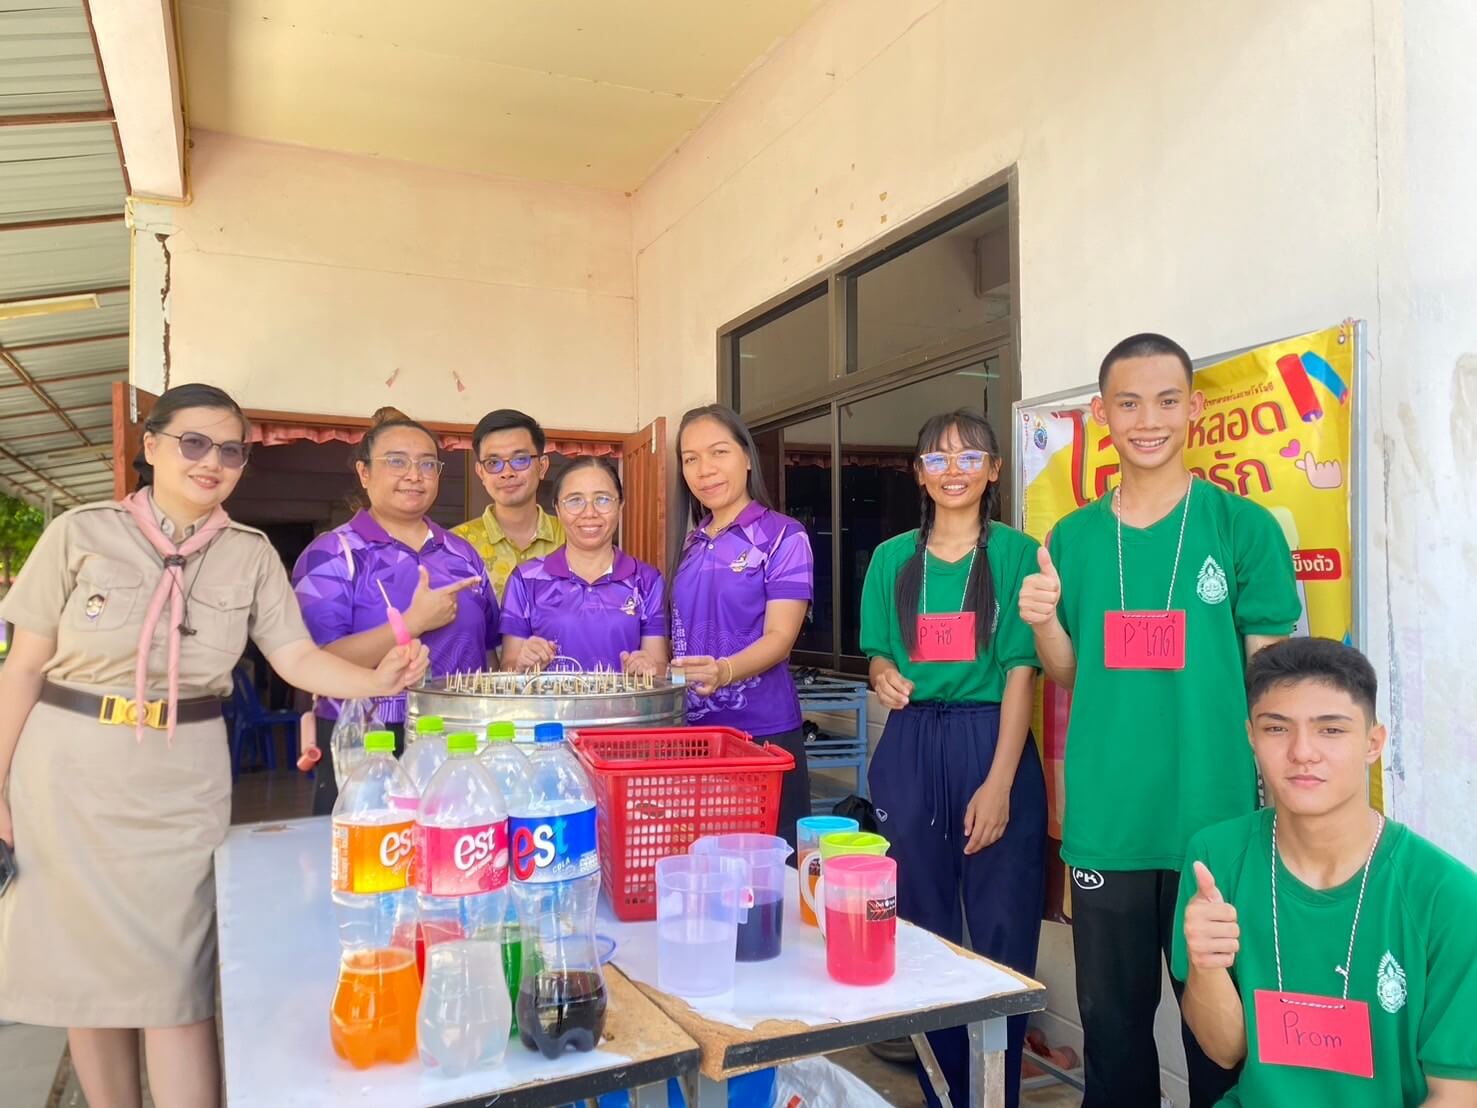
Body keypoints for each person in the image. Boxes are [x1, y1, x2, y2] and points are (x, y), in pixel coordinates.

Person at [0, 384, 428, 1108]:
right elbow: (23, 668)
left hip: (182, 777)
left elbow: (295, 656)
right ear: (152, 446)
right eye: (194, 443)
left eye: (231, 451)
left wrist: (373, 679)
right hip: (66, 772)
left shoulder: (248, 554)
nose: (212, 462)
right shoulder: (80, 532)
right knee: (87, 976)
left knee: (178, 978)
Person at [1018, 333, 1302, 1108]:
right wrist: (1042, 621)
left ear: (1194, 408)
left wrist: (1285, 803)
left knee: (1220, 1044)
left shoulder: (1241, 528)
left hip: (1214, 823)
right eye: (1129, 403)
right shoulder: (1072, 538)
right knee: (1111, 1035)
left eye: (1166, 401)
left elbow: (1271, 686)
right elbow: (1068, 672)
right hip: (1106, 822)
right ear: (1101, 413)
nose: (1148, 420)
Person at [1175, 638, 1477, 1106]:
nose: (1302, 752)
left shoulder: (1446, 895)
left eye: (1331, 730)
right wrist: (1206, 963)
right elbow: (1223, 1050)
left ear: (1373, 743)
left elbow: (1457, 1095)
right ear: (1252, 737)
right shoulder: (1215, 858)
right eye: (1277, 729)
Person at [861, 410, 1047, 1108]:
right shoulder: (891, 560)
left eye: (970, 457)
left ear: (994, 470)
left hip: (991, 739)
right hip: (911, 745)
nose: (953, 471)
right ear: (918, 474)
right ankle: (942, 1091)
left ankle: (993, 1093)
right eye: (936, 459)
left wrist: (999, 783)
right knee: (919, 926)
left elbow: (1022, 673)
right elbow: (880, 654)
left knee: (1003, 929)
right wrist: (883, 674)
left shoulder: (1017, 555)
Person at [293, 407, 499, 815]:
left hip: (461, 735)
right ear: (364, 472)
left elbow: (489, 651)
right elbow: (315, 662)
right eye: (396, 461)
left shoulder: (463, 554)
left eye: (427, 464)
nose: (414, 475)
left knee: (460, 843)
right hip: (370, 738)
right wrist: (412, 624)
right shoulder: (333, 554)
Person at [669, 404, 813, 847]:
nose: (704, 470)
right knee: (702, 861)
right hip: (694, 736)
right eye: (690, 459)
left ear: (747, 457)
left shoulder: (783, 536)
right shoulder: (690, 544)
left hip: (763, 735)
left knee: (769, 865)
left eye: (718, 452)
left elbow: (781, 638)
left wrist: (724, 671)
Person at [500, 456, 667, 676]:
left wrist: (647, 667)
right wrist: (523, 663)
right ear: (557, 509)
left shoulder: (646, 580)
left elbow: (659, 664)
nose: (589, 513)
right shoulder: (526, 579)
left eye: (603, 499)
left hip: (624, 700)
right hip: (549, 700)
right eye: (575, 500)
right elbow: (508, 665)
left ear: (620, 505)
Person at [453, 408, 565, 601]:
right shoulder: (456, 545)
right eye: (493, 462)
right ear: (481, 473)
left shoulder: (571, 537)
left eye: (520, 460)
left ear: (542, 466)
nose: (507, 473)